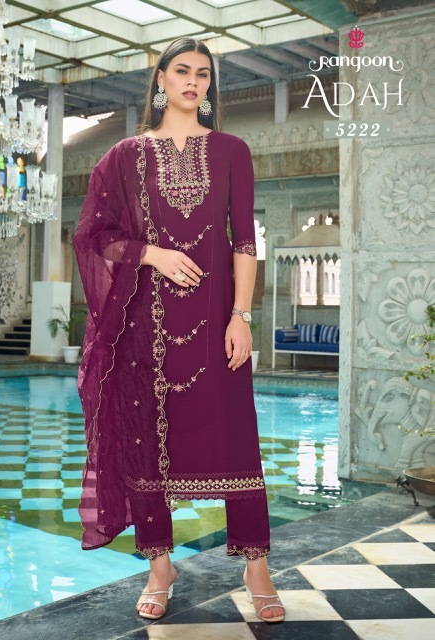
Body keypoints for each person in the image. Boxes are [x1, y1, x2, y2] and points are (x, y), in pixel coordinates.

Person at [73, 36, 285, 624]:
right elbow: (92, 235)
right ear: (161, 80)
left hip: (218, 324)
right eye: (183, 71)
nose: (194, 81)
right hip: (144, 330)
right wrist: (151, 254)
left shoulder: (232, 151)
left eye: (204, 74)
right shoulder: (124, 157)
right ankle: (160, 565)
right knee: (146, 443)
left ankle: (256, 564)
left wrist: (242, 315)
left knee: (237, 437)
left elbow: (245, 241)